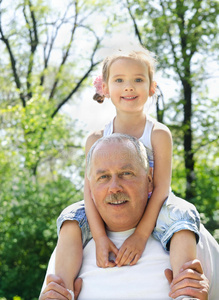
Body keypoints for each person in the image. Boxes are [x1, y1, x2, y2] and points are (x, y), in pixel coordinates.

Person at [54, 46, 201, 297]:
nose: (129, 87)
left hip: (153, 203)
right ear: (106, 88)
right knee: (70, 217)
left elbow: (162, 188)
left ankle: (185, 285)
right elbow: (89, 191)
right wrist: (100, 238)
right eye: (120, 80)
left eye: (138, 80)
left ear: (152, 87)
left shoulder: (158, 134)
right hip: (109, 207)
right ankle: (61, 287)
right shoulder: (96, 138)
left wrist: (141, 236)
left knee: (184, 215)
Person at [39, 134, 219, 300]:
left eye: (126, 174)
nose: (114, 187)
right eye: (103, 177)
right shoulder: (71, 243)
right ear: (90, 188)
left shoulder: (186, 233)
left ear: (149, 180)